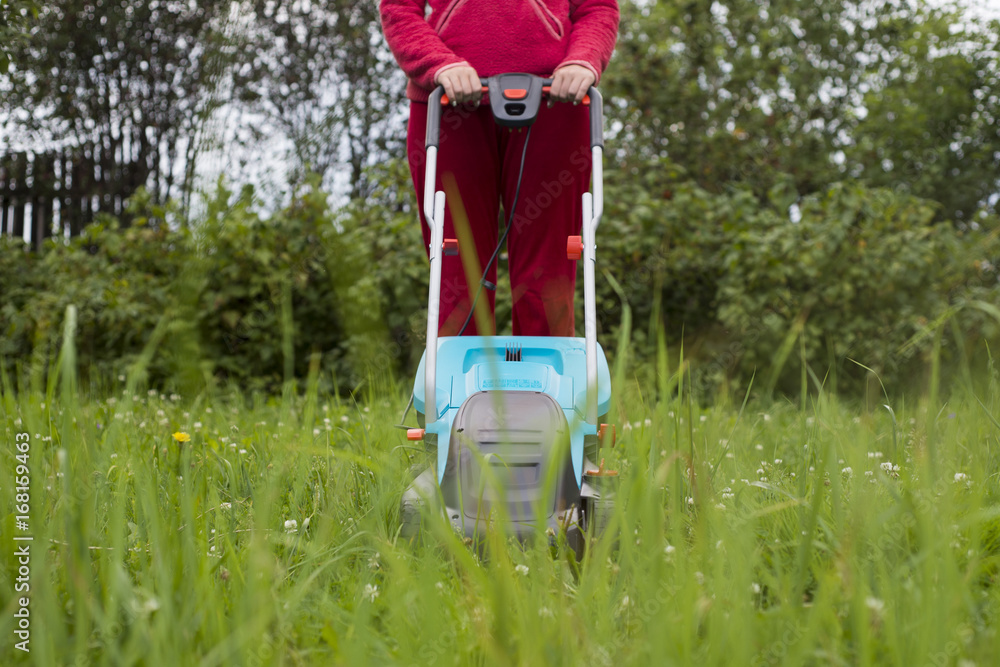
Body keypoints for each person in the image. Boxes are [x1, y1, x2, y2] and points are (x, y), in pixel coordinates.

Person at [380, 0, 619, 336]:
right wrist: (440, 64)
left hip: (555, 99)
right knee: (458, 270)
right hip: (449, 104)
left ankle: (546, 383)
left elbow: (597, 8)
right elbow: (399, 9)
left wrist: (582, 59)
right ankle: (458, 385)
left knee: (546, 277)